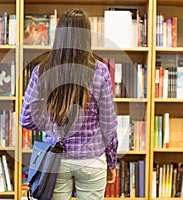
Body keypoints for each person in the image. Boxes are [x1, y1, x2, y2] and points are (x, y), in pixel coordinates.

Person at [20, 9, 118, 200]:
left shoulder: (42, 71)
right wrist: (111, 162)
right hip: (92, 159)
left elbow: (26, 119)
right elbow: (109, 125)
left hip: (56, 159)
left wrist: (50, 122)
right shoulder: (100, 72)